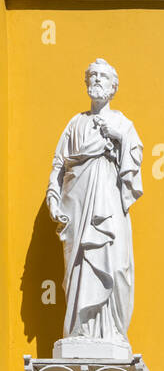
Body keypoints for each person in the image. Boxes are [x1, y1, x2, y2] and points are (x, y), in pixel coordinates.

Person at [46, 59, 144, 352]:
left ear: (114, 87)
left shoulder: (123, 125)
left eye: (103, 77)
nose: (97, 80)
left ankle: (112, 331)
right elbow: (58, 166)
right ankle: (80, 329)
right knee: (79, 266)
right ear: (86, 83)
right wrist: (52, 197)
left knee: (116, 266)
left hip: (109, 208)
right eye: (93, 76)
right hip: (76, 208)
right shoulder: (74, 124)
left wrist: (117, 137)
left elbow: (134, 164)